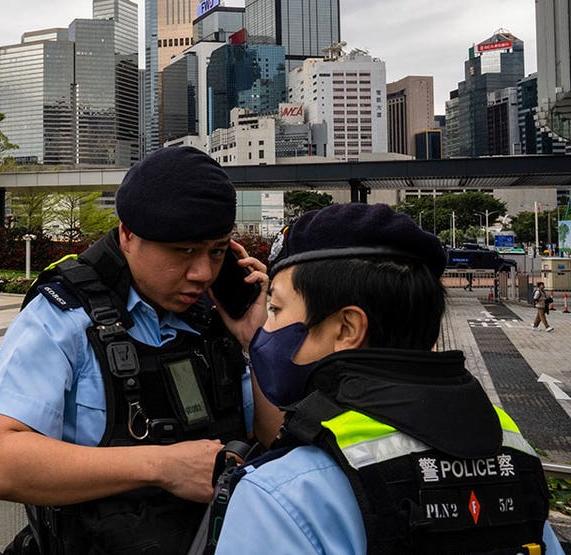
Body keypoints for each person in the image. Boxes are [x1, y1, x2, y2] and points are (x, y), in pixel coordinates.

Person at [200, 203, 563, 555]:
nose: (267, 326)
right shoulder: (514, 450)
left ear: (348, 327)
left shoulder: (282, 495)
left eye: (275, 308)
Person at [0, 146, 270, 554]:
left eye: (216, 251)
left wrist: (257, 341)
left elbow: (273, 437)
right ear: (128, 235)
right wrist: (162, 467)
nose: (202, 273)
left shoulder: (215, 318)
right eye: (184, 251)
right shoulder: (62, 317)